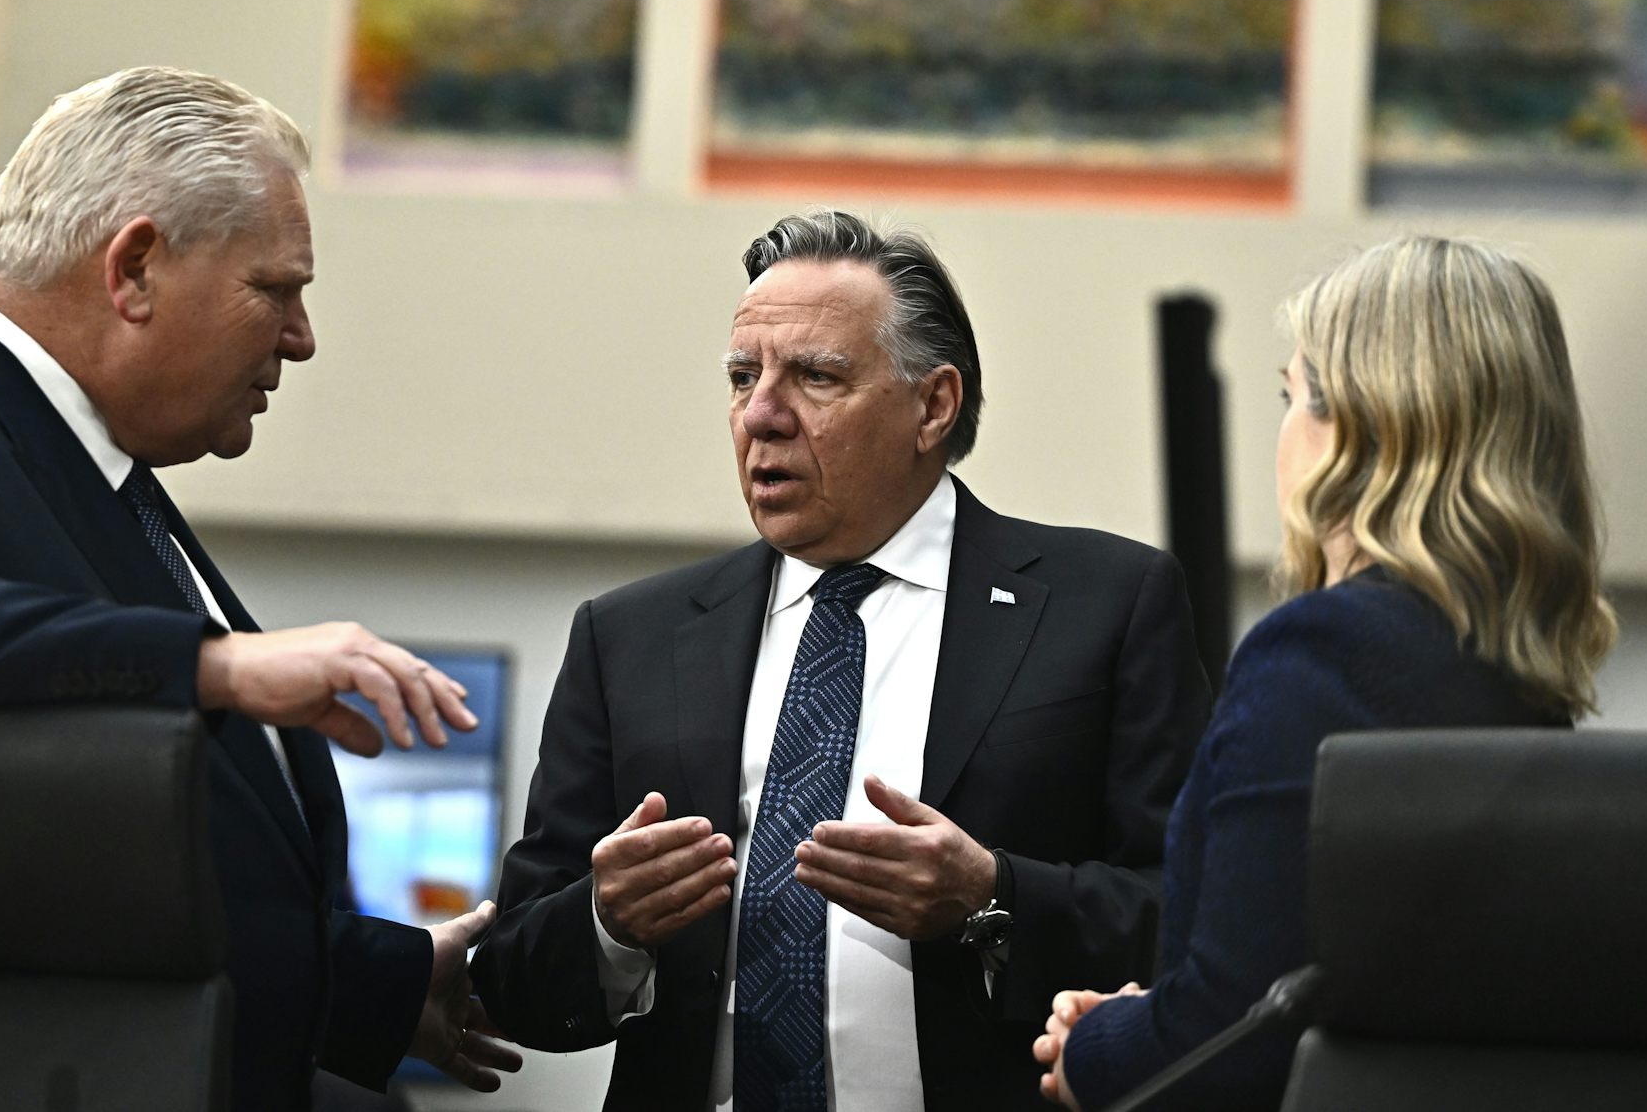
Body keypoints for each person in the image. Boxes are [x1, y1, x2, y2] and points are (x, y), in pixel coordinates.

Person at [0, 67, 521, 1111]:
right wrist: (212, 664)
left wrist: (377, 983)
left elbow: (91, 874)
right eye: (274, 288)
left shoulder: (109, 478)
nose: (301, 335)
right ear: (134, 268)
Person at [471, 209, 1211, 1111]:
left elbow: (1196, 918)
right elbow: (511, 981)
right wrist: (607, 921)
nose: (762, 415)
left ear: (933, 405)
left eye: (815, 377)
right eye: (743, 377)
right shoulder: (630, 637)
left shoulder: (1106, 605)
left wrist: (993, 897)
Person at [1033, 235, 1618, 1110]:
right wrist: (1151, 1019)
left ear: (1361, 429)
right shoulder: (1514, 669)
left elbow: (1237, 1045)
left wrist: (1094, 1048)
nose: (1283, 430)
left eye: (1291, 393)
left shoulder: (1320, 656)